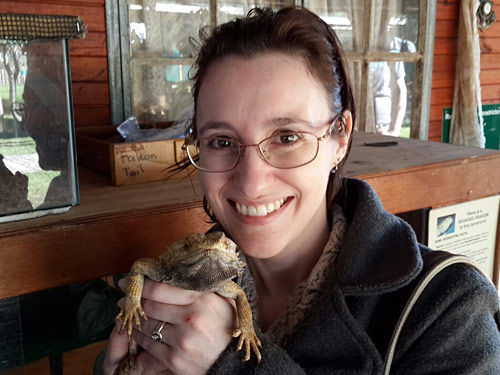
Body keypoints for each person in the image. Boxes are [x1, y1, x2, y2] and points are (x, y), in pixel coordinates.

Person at [103, 6, 500, 374]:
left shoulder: (446, 308)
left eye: (287, 136)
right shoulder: (176, 288)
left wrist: (232, 365)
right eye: (222, 142)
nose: (252, 182)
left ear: (340, 138)